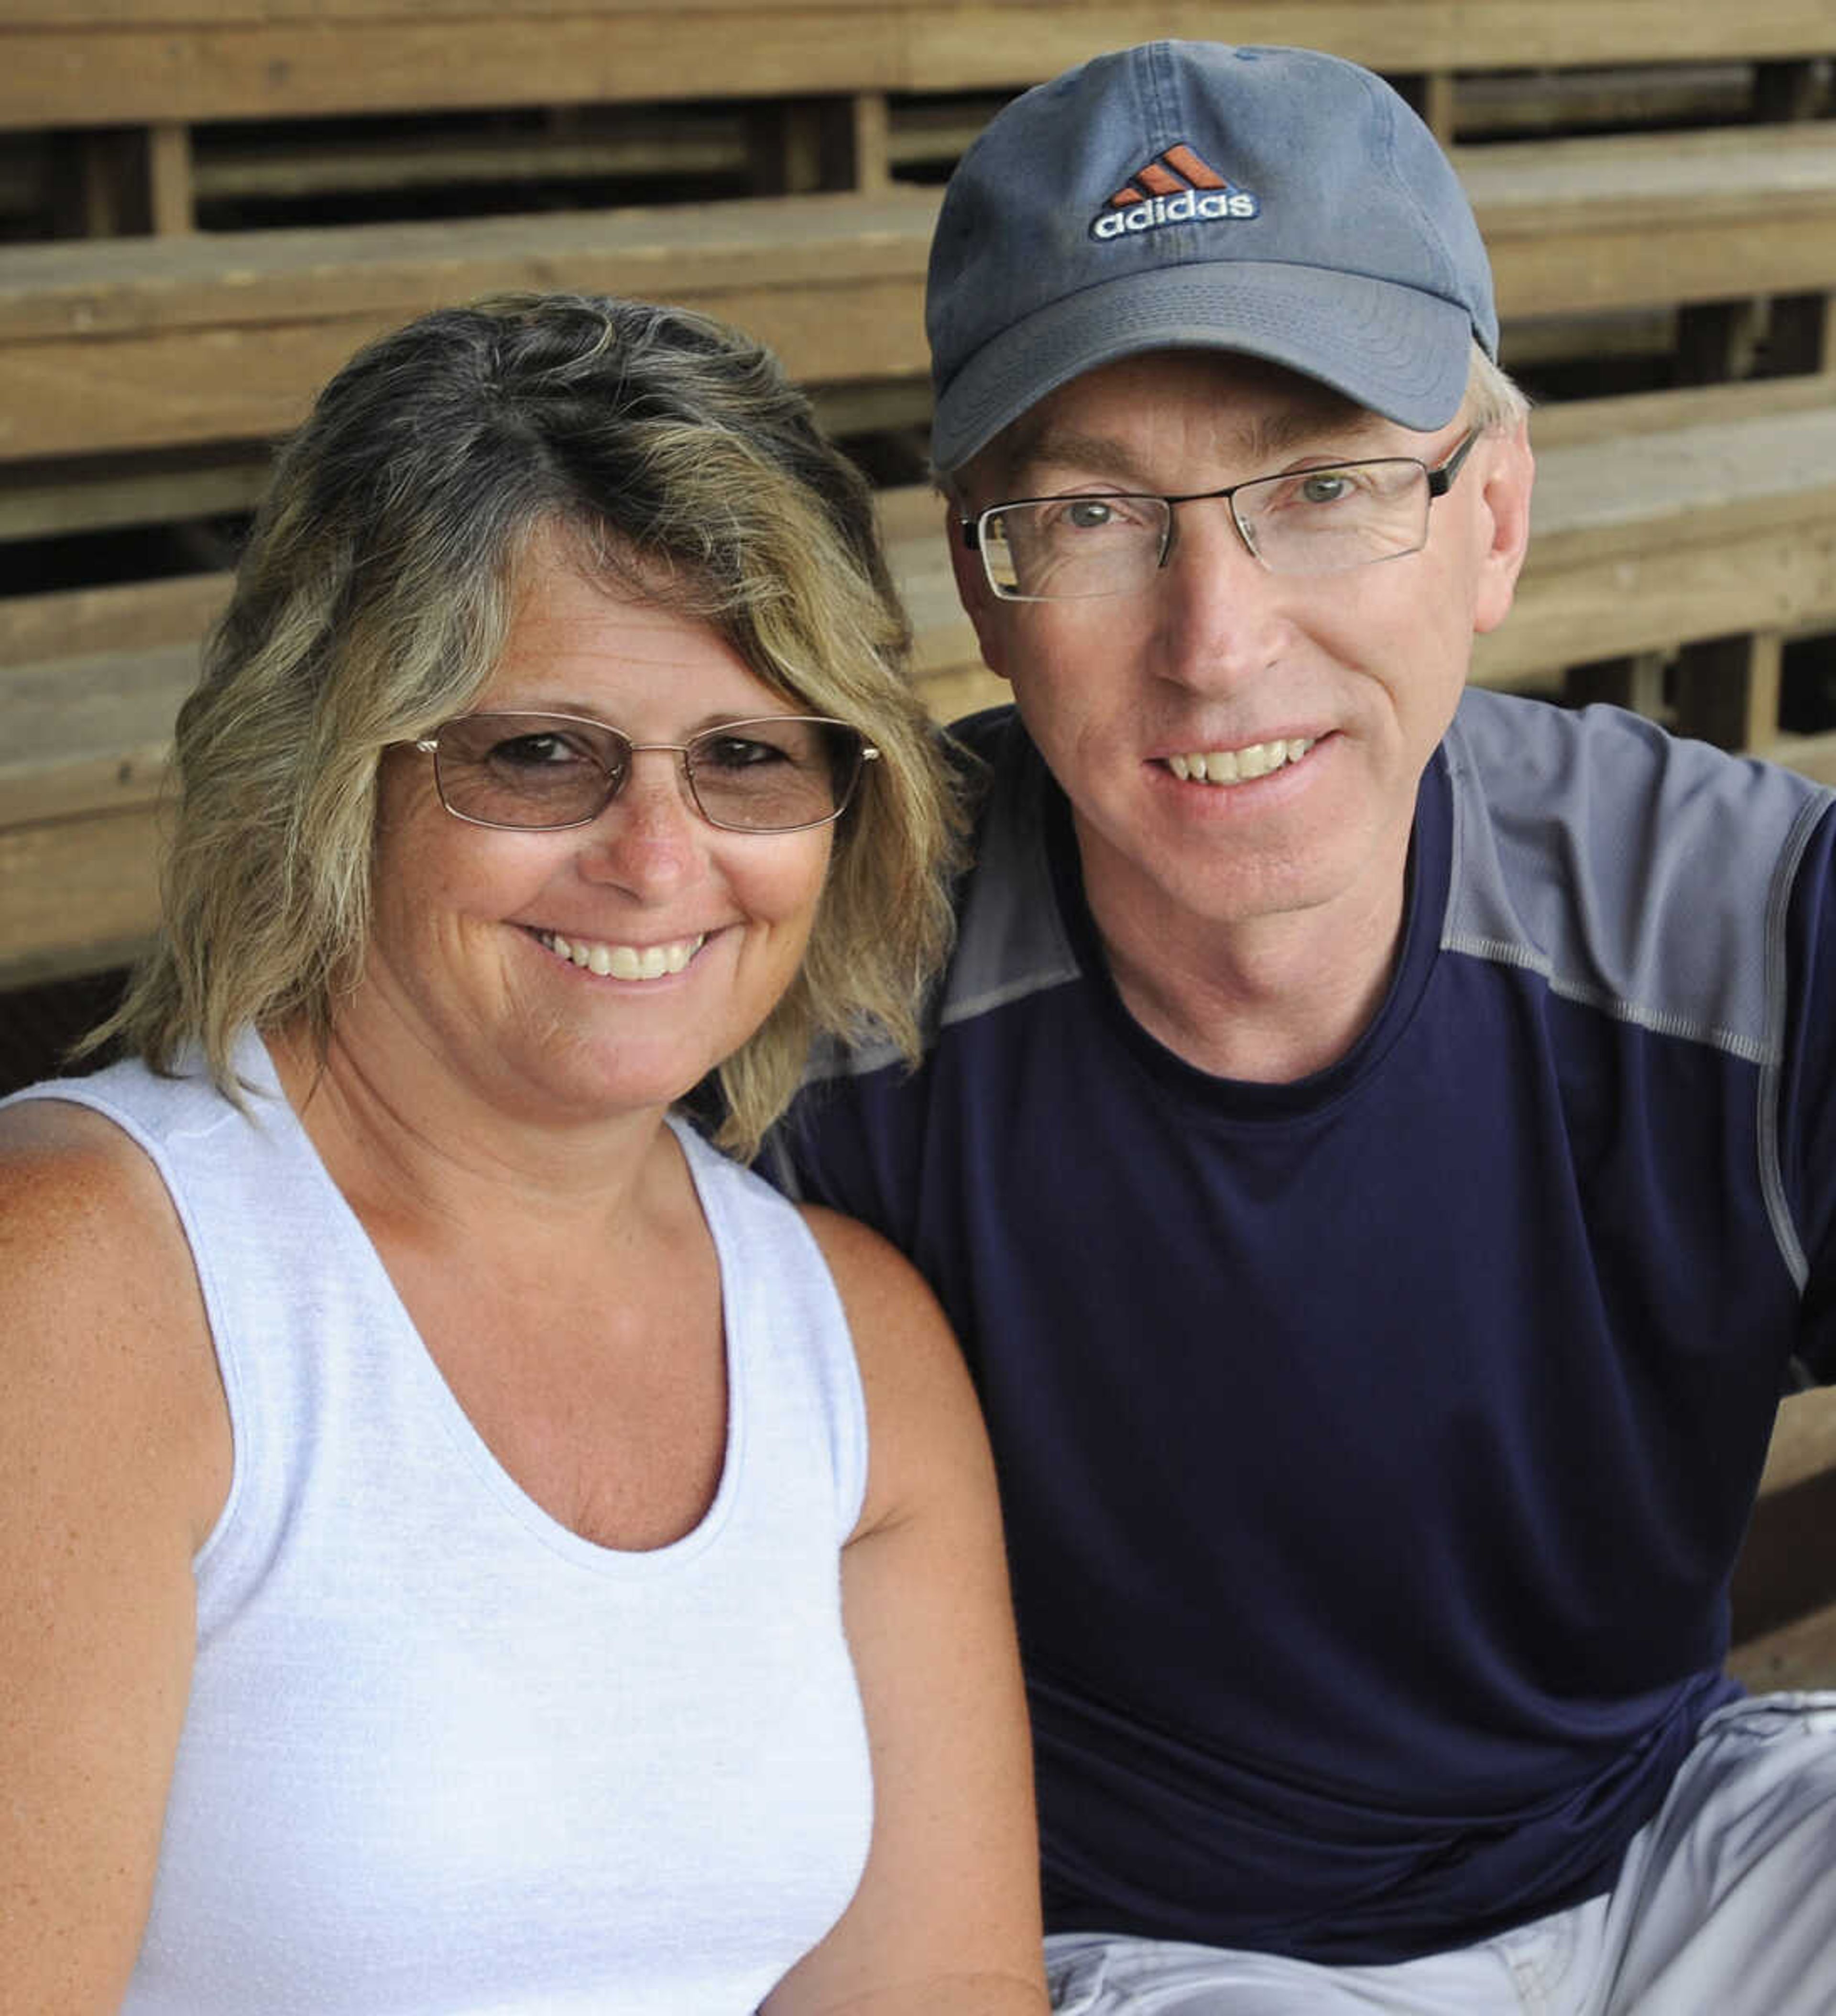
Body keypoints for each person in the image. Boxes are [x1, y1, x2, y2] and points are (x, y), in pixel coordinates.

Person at [771, 41, 1836, 2016]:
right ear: (982, 590)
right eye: (1095, 515)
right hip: (1149, 1943)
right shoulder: (831, 991)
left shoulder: (1746, 920)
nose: (1218, 637)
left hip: (1674, 1838)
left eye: (1329, 488)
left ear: (1492, 521)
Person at [0, 293, 1048, 2016]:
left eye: (749, 760)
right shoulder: (92, 1277)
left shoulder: (852, 1342)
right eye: (539, 755)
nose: (656, 859)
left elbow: (935, 1986)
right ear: (332, 775)